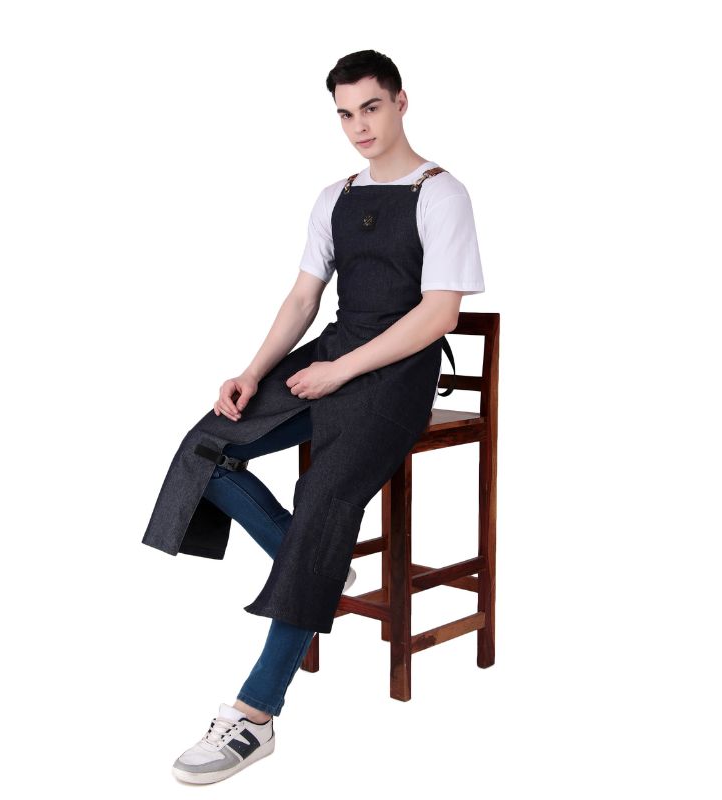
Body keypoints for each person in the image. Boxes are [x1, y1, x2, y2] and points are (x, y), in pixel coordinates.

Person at [167, 49, 485, 784]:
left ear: (401, 102)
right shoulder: (333, 196)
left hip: (398, 374)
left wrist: (341, 371)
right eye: (345, 114)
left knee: (324, 504)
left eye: (370, 107)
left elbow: (438, 314)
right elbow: (304, 298)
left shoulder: (443, 193)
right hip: (332, 356)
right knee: (206, 446)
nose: (358, 126)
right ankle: (316, 560)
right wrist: (252, 372)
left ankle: (255, 715)